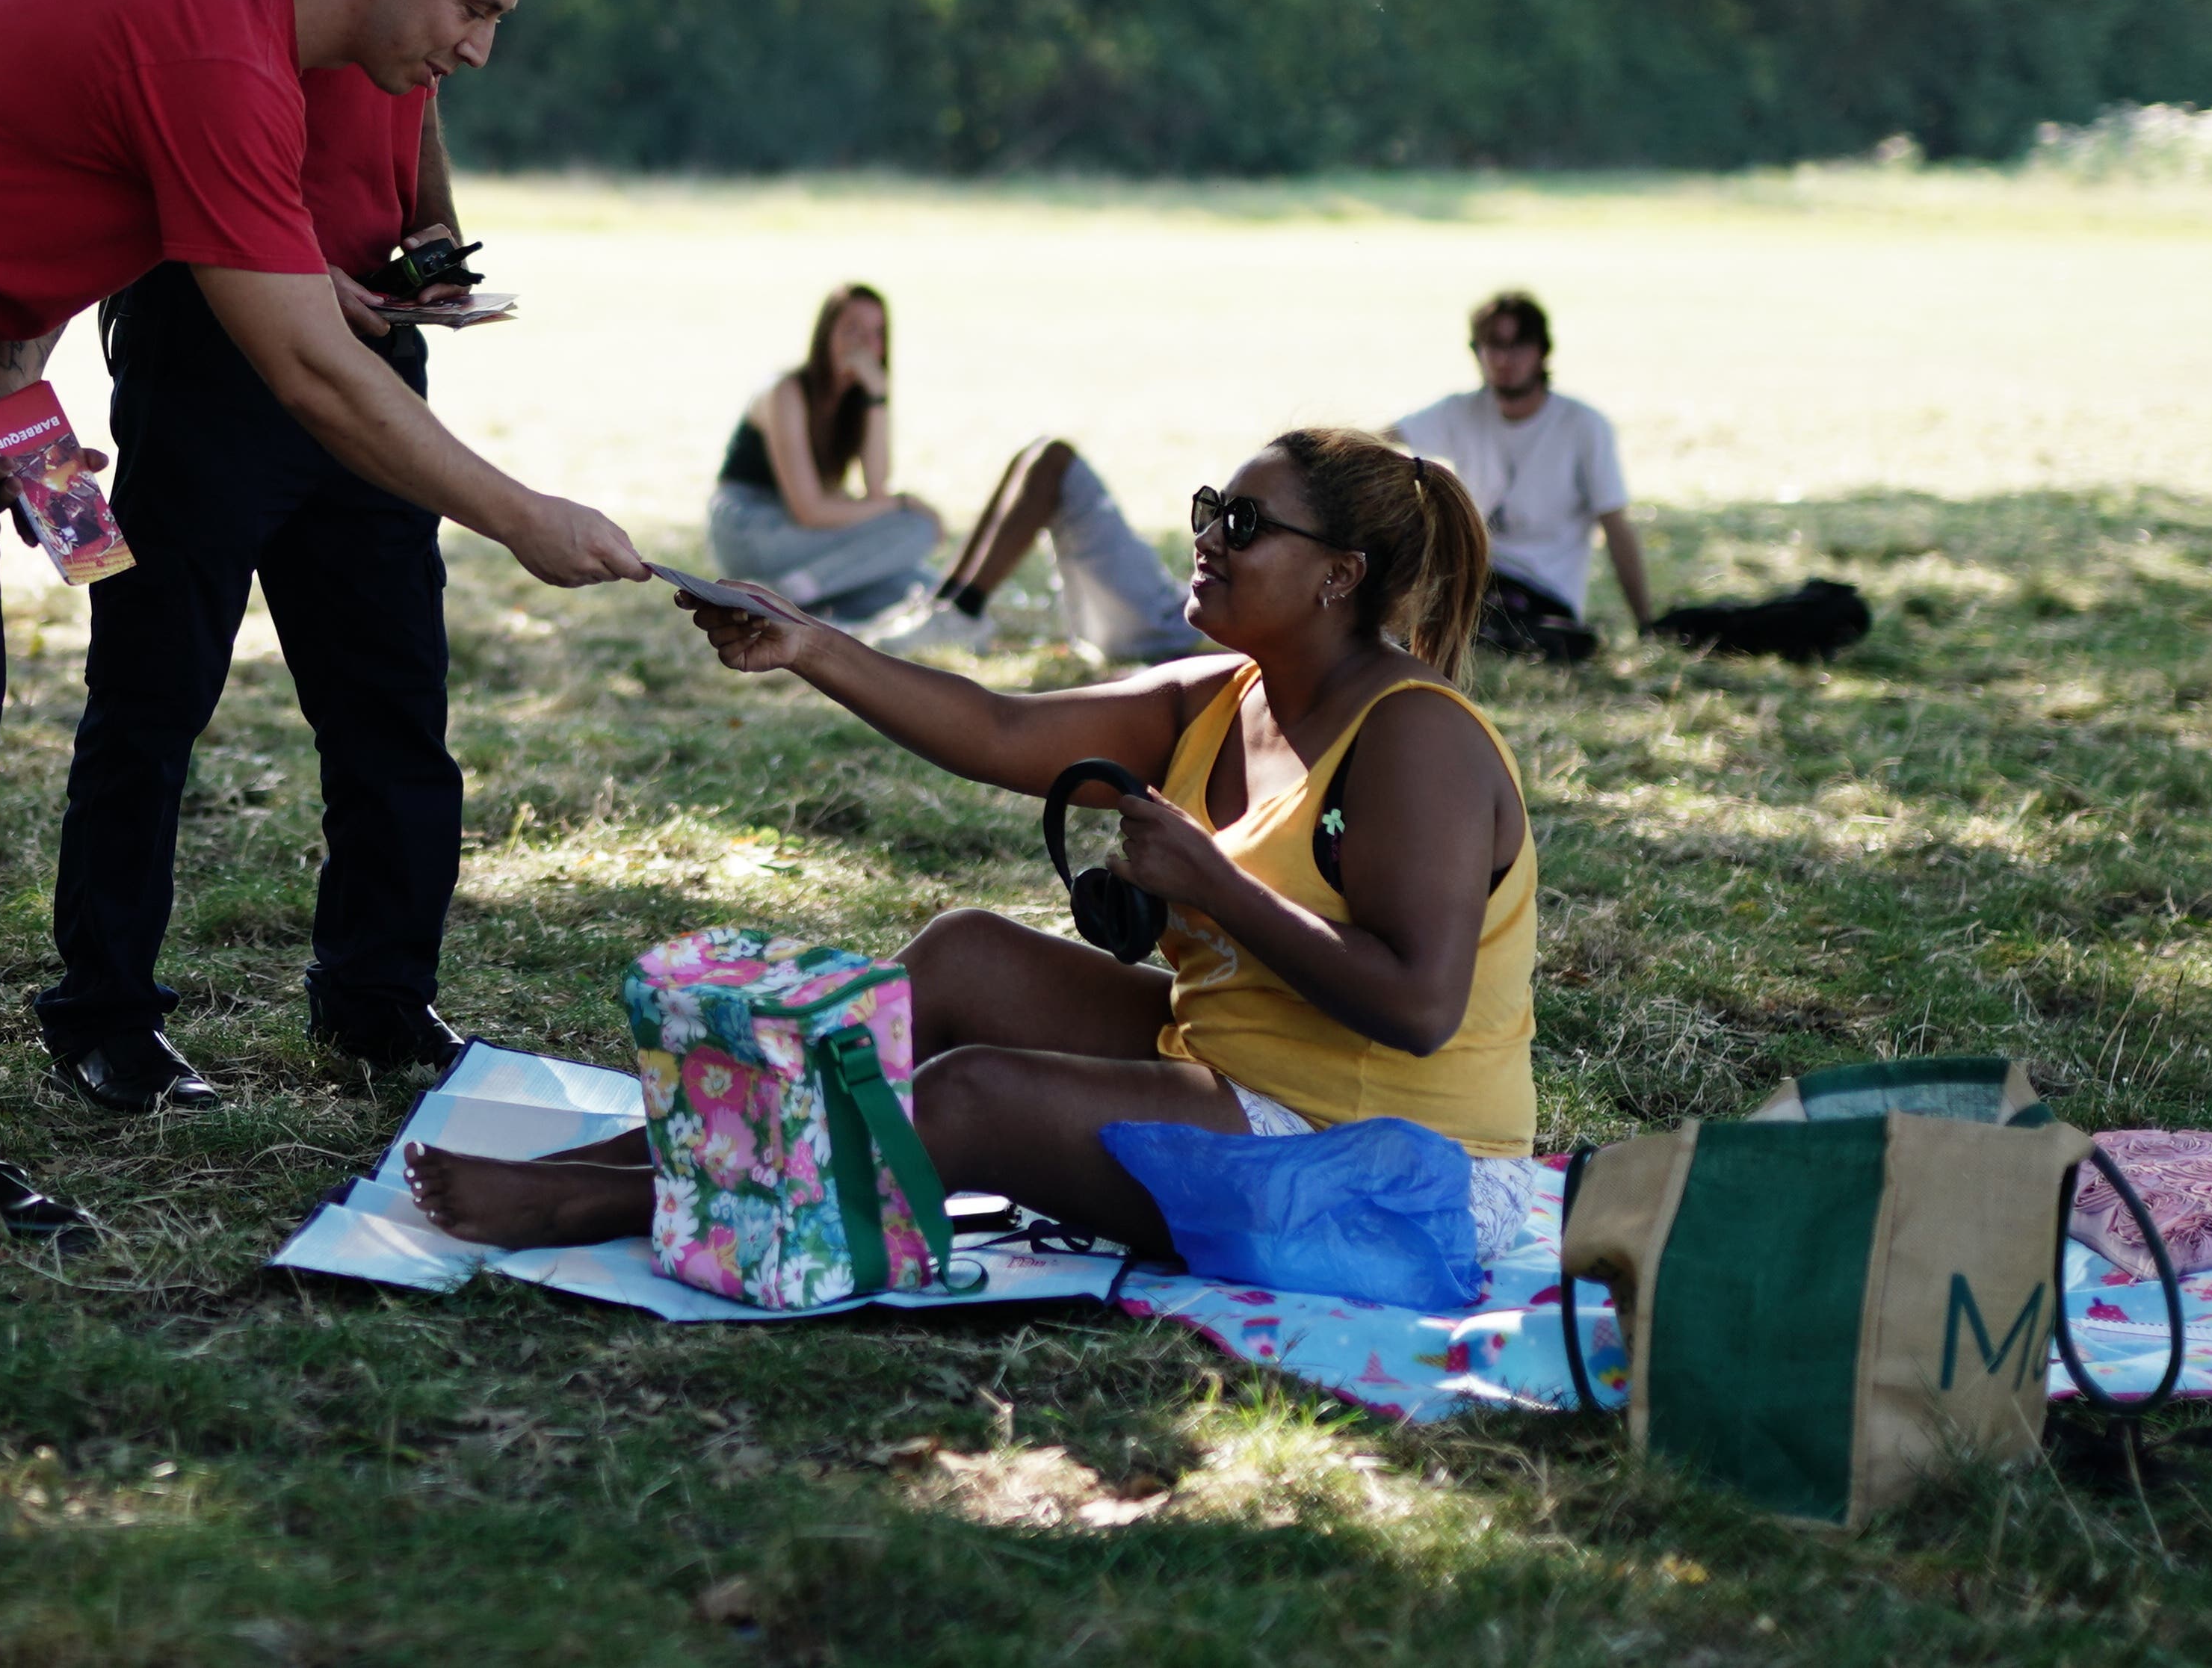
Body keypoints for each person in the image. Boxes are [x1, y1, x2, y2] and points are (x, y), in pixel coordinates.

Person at [0, 0, 646, 1248]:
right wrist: (526, 517)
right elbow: (312, 378)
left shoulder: (240, 32)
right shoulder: (222, 51)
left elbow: (46, 194)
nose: (474, 52)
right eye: (473, 9)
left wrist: (12, 406)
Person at [401, 427, 1544, 1265]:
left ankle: (595, 1208)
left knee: (972, 1099)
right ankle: (634, 1163)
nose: (1203, 538)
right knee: (962, 957)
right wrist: (810, 646)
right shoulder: (1219, 693)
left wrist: (1208, 884)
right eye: (1206, 506)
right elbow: (1000, 728)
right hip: (1243, 1071)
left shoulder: (1412, 742)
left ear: (1339, 576)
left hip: (1391, 1171)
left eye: (1241, 525)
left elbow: (1417, 1006)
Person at [40, 0, 511, 1101]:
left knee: (394, 697)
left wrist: (431, 233)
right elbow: (156, 112)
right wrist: (291, 280)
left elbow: (412, 77)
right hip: (213, 348)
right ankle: (105, 1014)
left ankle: (378, 1000)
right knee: (154, 687)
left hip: (373, 342)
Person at [1392, 291, 1650, 663]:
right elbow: (1380, 440)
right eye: (1492, 345)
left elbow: (1616, 525)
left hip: (1543, 593)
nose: (1502, 359)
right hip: (1474, 579)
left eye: (1517, 346)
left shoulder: (1583, 426)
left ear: (1542, 351)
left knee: (1481, 625)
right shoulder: (1461, 410)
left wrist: (1644, 620)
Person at [705, 283, 942, 623]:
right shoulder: (786, 391)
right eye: (852, 330)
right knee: (916, 527)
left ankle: (802, 601)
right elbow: (810, 511)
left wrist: (876, 395)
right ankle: (784, 598)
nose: (865, 344)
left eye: (877, 334)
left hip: (798, 539)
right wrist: (902, 504)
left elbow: (875, 487)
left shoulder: (856, 400)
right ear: (825, 335)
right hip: (753, 528)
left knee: (920, 585)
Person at [859, 437, 1199, 666]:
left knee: (1055, 460)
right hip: (1174, 610)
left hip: (1168, 624)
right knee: (1034, 454)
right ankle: (943, 605)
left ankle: (962, 613)